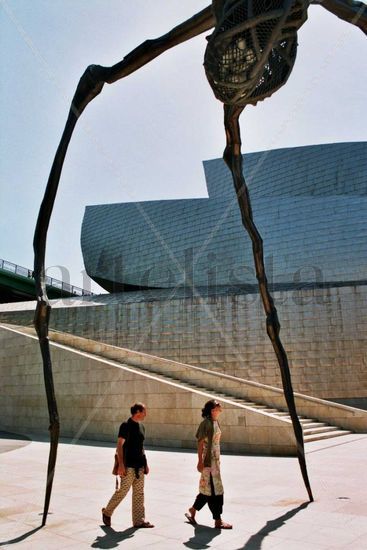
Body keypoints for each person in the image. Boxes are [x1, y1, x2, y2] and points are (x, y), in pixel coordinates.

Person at [102, 402, 154, 528]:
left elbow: (141, 447)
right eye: (144, 411)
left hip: (139, 466)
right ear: (137, 412)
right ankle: (107, 512)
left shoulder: (142, 427)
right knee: (123, 491)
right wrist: (121, 465)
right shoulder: (126, 426)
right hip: (128, 465)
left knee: (139, 493)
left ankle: (139, 521)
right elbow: (119, 444)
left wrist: (145, 463)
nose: (145, 414)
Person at [185, 399, 232, 529]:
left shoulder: (216, 422)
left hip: (215, 462)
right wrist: (200, 461)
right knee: (214, 490)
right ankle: (218, 520)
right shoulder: (205, 424)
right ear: (212, 410)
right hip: (208, 461)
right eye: (218, 407)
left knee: (208, 489)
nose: (220, 408)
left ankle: (193, 510)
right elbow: (200, 443)